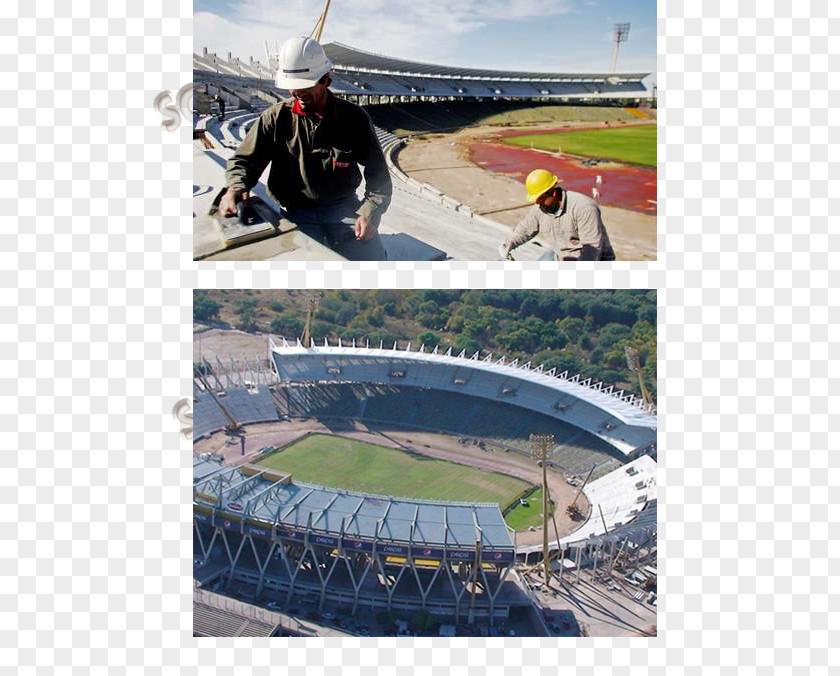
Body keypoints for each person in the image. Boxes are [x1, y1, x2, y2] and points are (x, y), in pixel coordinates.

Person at [220, 36, 391, 260]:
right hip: (296, 211)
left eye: (304, 86)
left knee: (372, 260)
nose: (296, 93)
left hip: (343, 207)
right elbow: (244, 161)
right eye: (292, 87)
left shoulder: (354, 118)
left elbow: (379, 176)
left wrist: (370, 212)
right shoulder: (275, 117)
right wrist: (236, 187)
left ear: (326, 80)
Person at [498, 169, 615, 261]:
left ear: (553, 193)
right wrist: (507, 245)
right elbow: (525, 229)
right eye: (535, 199)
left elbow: (591, 249)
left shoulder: (583, 208)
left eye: (540, 198)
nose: (537, 202)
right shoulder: (540, 208)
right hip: (561, 256)